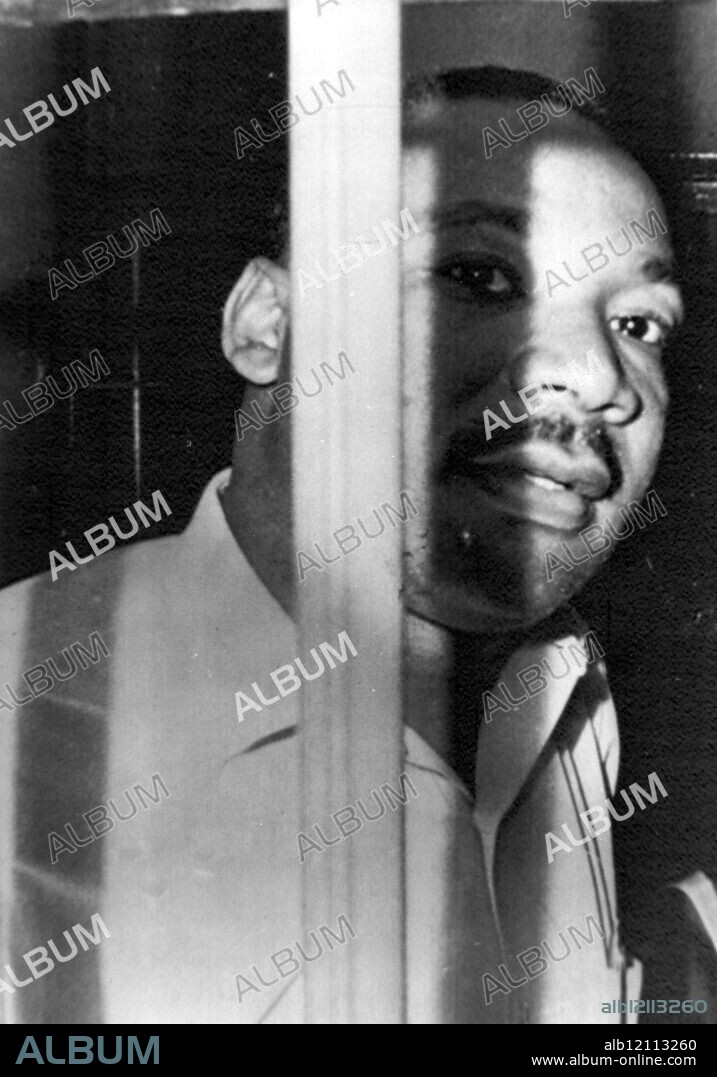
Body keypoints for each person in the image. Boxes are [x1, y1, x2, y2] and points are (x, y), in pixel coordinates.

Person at [0, 66, 686, 1024]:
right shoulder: (28, 724)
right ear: (268, 325)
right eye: (478, 275)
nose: (597, 376)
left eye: (637, 323)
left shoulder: (567, 696)